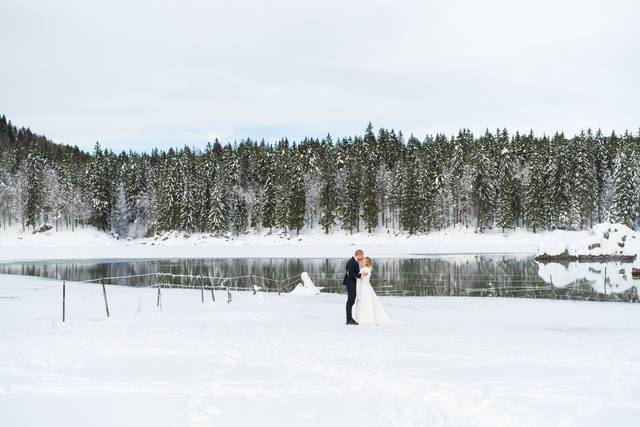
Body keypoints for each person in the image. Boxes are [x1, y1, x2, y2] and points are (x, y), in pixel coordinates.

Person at [354, 257, 391, 325]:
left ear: (367, 262)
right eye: (362, 260)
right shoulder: (366, 269)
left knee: (365, 302)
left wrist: (356, 276)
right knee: (365, 302)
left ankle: (366, 318)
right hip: (366, 286)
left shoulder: (365, 269)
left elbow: (360, 277)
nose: (362, 261)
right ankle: (364, 317)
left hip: (364, 287)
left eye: (364, 261)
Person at [343, 249, 367, 325]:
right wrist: (360, 275)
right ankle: (349, 319)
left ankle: (350, 318)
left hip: (352, 283)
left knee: (351, 301)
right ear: (358, 255)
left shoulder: (355, 261)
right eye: (362, 256)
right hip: (350, 284)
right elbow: (350, 273)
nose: (362, 258)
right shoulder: (351, 261)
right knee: (350, 301)